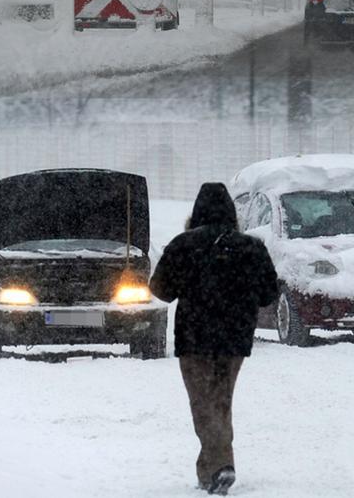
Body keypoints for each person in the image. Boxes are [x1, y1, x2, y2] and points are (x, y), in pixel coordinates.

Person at [150, 182, 279, 494]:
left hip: (195, 337)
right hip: (235, 338)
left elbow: (161, 290)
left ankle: (221, 466)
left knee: (203, 404)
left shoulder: (184, 245)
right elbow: (268, 295)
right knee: (220, 401)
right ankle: (210, 471)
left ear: (197, 211)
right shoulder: (251, 247)